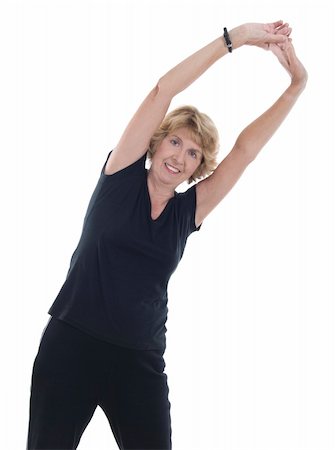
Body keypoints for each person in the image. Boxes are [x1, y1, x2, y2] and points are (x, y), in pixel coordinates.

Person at [26, 20, 307, 450]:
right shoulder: (120, 174)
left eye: (193, 153)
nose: (180, 157)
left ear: (199, 167)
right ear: (156, 144)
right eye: (175, 143)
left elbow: (245, 151)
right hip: (71, 347)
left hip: (138, 361)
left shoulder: (188, 210)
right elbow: (162, 91)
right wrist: (233, 40)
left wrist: (295, 85)